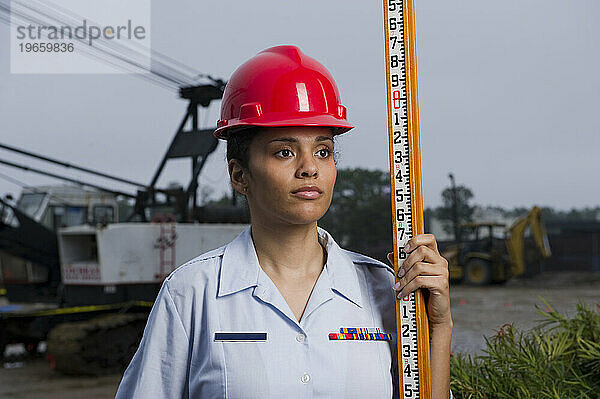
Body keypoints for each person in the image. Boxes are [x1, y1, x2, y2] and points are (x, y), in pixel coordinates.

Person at [115, 45, 452, 398]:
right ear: (239, 174)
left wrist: (439, 326)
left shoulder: (387, 289)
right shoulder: (190, 294)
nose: (309, 168)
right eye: (285, 152)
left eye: (323, 151)